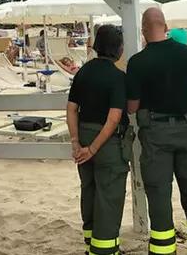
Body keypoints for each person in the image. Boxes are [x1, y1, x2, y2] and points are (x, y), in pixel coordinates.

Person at [127, 8, 187, 255]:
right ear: (165, 26)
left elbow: (132, 106)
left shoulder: (137, 62)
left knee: (158, 191)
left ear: (144, 30)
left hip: (155, 133)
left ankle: (165, 249)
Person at [66, 25, 131, 255]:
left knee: (89, 190)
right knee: (109, 196)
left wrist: (76, 143)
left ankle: (90, 241)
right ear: (119, 50)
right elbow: (114, 118)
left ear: (96, 46)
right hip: (107, 143)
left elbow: (72, 109)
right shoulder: (118, 77)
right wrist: (93, 148)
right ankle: (104, 250)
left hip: (82, 134)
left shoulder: (83, 72)